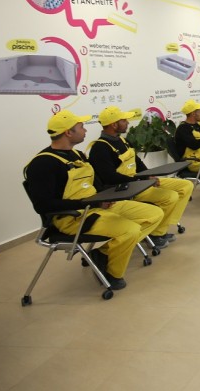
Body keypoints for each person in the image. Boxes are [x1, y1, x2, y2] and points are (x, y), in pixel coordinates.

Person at [23, 110, 163, 290]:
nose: (85, 131)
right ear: (68, 132)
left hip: (98, 206)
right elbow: (43, 205)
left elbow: (96, 185)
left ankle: (103, 253)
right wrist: (90, 203)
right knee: (131, 230)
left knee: (154, 213)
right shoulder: (42, 164)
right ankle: (112, 273)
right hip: (75, 217)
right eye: (81, 127)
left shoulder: (78, 155)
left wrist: (111, 195)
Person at [87, 106, 193, 248]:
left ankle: (160, 228)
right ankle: (156, 234)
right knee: (170, 197)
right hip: (125, 188)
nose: (128, 123)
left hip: (137, 182)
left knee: (185, 186)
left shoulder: (123, 141)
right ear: (114, 124)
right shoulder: (100, 148)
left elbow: (137, 162)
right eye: (124, 120)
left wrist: (148, 175)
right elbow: (109, 177)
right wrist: (140, 181)